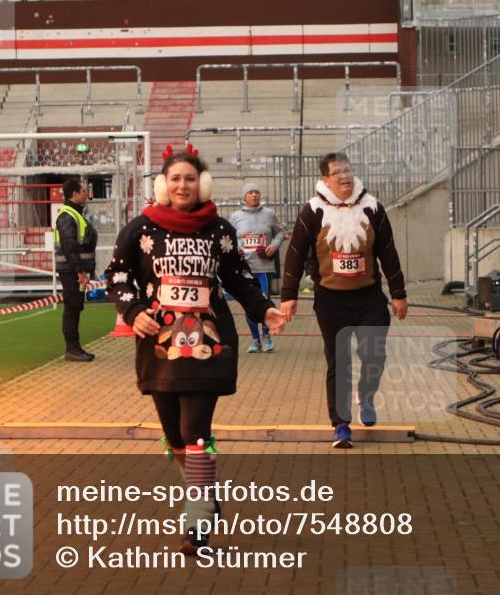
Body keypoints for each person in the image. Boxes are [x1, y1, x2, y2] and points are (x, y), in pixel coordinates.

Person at [105, 143, 286, 554]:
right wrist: (133, 311)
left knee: (194, 433)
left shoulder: (219, 230)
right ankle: (207, 495)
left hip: (209, 343)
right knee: (173, 437)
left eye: (190, 178)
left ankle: (198, 523)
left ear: (201, 184)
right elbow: (117, 276)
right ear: (163, 185)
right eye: (175, 179)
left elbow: (239, 278)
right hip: (160, 345)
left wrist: (264, 311)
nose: (183, 185)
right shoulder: (141, 228)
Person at [280, 153, 407, 449]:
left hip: (369, 297)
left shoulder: (372, 207)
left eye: (348, 170)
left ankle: (366, 396)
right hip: (330, 300)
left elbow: (388, 252)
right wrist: (288, 296)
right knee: (338, 360)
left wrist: (398, 293)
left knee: (374, 355)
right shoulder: (312, 211)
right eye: (337, 173)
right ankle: (341, 424)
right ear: (325, 179)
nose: (344, 176)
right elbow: (295, 254)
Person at [228, 183, 285, 353]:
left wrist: (274, 246)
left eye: (257, 192)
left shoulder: (269, 214)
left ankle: (266, 337)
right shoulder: (235, 216)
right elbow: (230, 238)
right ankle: (255, 339)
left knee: (264, 302)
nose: (254, 195)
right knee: (248, 304)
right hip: (246, 269)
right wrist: (237, 251)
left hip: (264, 267)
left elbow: (281, 232)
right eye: (251, 193)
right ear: (244, 197)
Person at [54, 178, 98, 362]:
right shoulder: (67, 216)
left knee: (76, 307)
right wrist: (79, 271)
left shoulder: (74, 214)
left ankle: (75, 347)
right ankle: (72, 349)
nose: (86, 194)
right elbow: (69, 245)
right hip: (71, 271)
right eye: (83, 191)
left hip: (74, 270)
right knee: (72, 308)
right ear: (74, 194)